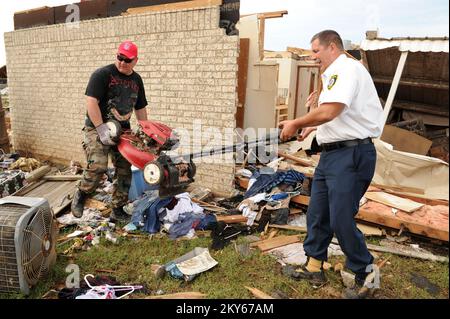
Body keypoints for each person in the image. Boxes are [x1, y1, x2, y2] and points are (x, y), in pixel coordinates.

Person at [279, 30, 383, 298]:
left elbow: (332, 111)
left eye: (316, 51)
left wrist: (296, 123)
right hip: (332, 155)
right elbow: (333, 118)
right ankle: (314, 266)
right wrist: (309, 128)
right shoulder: (334, 74)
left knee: (340, 218)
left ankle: (366, 271)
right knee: (317, 213)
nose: (312, 57)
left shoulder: (345, 69)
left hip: (351, 156)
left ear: (332, 47)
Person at [71, 40, 148, 222]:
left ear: (135, 60)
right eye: (119, 58)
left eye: (127, 60)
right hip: (97, 126)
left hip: (123, 130)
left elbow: (141, 108)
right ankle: (81, 194)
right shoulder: (102, 74)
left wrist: (145, 131)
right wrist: (101, 129)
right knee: (98, 164)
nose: (122, 62)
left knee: (125, 170)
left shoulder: (137, 80)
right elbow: (91, 102)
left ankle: (118, 209)